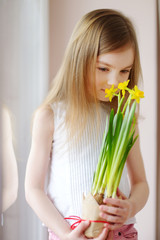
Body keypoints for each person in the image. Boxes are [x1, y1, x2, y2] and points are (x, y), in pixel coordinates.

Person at [25, 9, 149, 240]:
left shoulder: (123, 117)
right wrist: (65, 233)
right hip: (69, 234)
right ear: (79, 60)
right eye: (103, 68)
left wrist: (131, 206)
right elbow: (33, 190)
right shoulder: (50, 116)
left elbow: (141, 183)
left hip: (121, 234)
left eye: (124, 71)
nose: (115, 81)